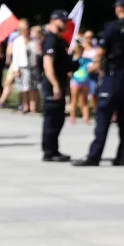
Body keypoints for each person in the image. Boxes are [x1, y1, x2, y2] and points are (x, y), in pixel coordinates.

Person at [73, 0, 124, 166]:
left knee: (103, 116)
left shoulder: (113, 27)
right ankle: (122, 157)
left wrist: (96, 65)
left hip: (113, 75)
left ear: (118, 8)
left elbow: (101, 50)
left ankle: (94, 156)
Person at [41, 9, 72, 161]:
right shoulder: (51, 39)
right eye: (63, 21)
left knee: (58, 118)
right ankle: (49, 152)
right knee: (52, 118)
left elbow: (65, 65)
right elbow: (48, 64)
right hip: (53, 84)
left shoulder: (60, 40)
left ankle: (54, 149)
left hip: (60, 81)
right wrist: (55, 84)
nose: (66, 23)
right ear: (53, 20)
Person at [70, 30, 98, 124]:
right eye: (87, 37)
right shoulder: (77, 53)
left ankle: (86, 118)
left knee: (84, 99)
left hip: (86, 78)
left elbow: (96, 63)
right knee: (74, 99)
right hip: (77, 78)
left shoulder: (92, 53)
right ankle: (72, 117)